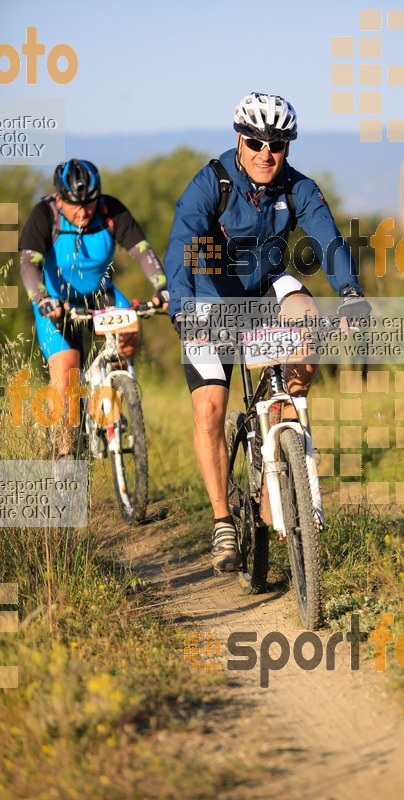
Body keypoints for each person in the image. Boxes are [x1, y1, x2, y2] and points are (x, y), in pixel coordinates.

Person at [164, 92, 369, 572]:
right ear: (240, 140)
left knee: (307, 317)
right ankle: (221, 523)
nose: (265, 153)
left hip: (265, 289)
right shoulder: (211, 182)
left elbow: (328, 238)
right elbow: (181, 241)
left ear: (288, 148)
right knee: (210, 407)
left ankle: (285, 433)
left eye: (277, 144)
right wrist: (180, 307)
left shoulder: (298, 187)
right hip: (210, 299)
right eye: (256, 141)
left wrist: (351, 291)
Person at [19, 158, 169, 456]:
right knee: (66, 377)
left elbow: (141, 251)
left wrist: (162, 287)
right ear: (59, 199)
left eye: (90, 202)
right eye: (75, 204)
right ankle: (65, 454)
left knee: (129, 333)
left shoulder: (111, 211)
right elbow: (28, 264)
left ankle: (112, 396)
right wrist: (42, 299)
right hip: (56, 303)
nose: (84, 211)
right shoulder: (44, 215)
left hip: (101, 296)